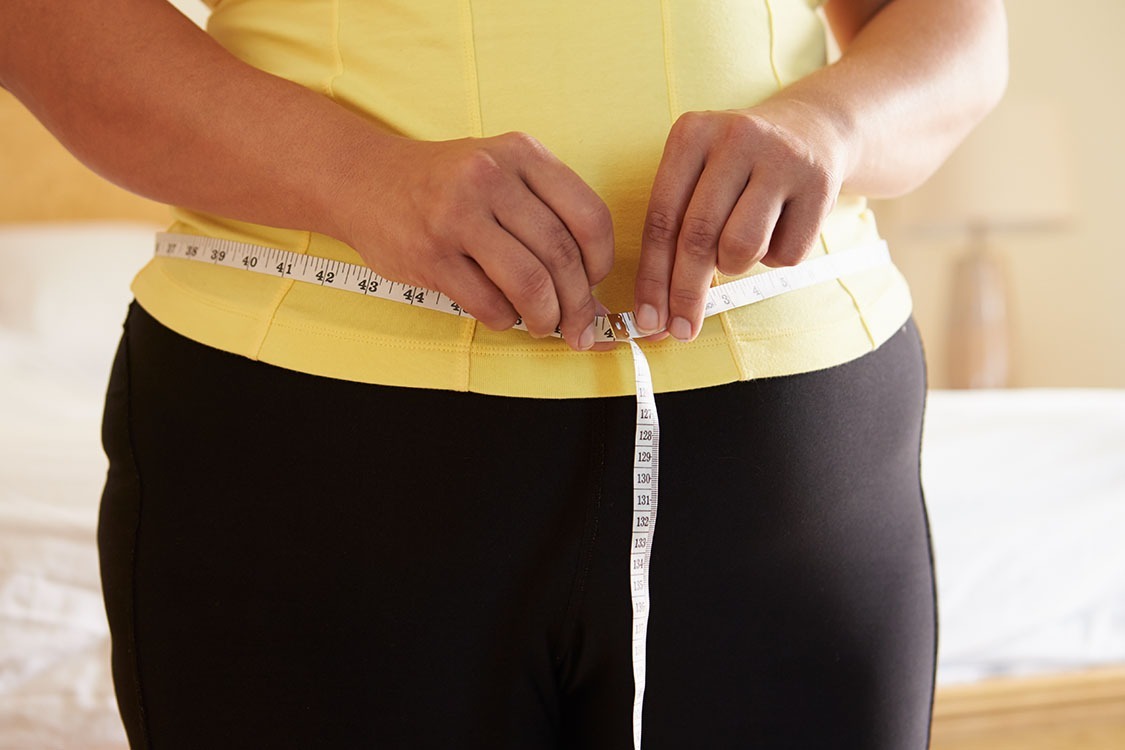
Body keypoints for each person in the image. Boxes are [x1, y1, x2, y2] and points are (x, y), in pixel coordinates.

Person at [0, 0, 1007, 747]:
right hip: (308, 448)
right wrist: (357, 176)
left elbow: (959, 33)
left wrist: (832, 126)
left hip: (793, 450)